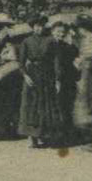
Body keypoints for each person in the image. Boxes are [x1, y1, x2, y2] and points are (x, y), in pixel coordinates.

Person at [21, 15, 77, 148]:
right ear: (33, 27)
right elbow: (21, 62)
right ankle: (32, 137)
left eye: (41, 26)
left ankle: (46, 136)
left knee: (46, 106)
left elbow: (56, 61)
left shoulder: (50, 41)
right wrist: (25, 75)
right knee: (32, 106)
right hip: (32, 76)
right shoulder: (26, 41)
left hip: (47, 76)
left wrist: (57, 79)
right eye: (36, 26)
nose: (39, 28)